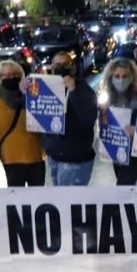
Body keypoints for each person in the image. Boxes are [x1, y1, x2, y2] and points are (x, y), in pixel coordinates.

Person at [0, 59, 45, 187]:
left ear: (21, 75)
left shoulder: (34, 95)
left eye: (15, 74)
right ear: (0, 77)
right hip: (11, 158)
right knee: (16, 197)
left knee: (38, 198)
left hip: (36, 155)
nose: (11, 78)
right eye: (6, 75)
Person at [39, 51, 97, 186]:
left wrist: (73, 90)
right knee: (61, 201)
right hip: (55, 156)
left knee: (70, 203)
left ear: (73, 67)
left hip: (75, 158)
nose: (61, 67)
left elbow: (89, 118)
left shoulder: (84, 89)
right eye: (57, 64)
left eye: (65, 64)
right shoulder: (47, 89)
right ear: (51, 67)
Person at [98, 57, 137, 185]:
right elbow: (101, 125)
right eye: (117, 76)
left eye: (125, 76)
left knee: (123, 186)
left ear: (132, 78)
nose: (121, 80)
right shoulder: (105, 99)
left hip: (133, 153)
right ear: (110, 78)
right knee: (123, 186)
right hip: (115, 149)